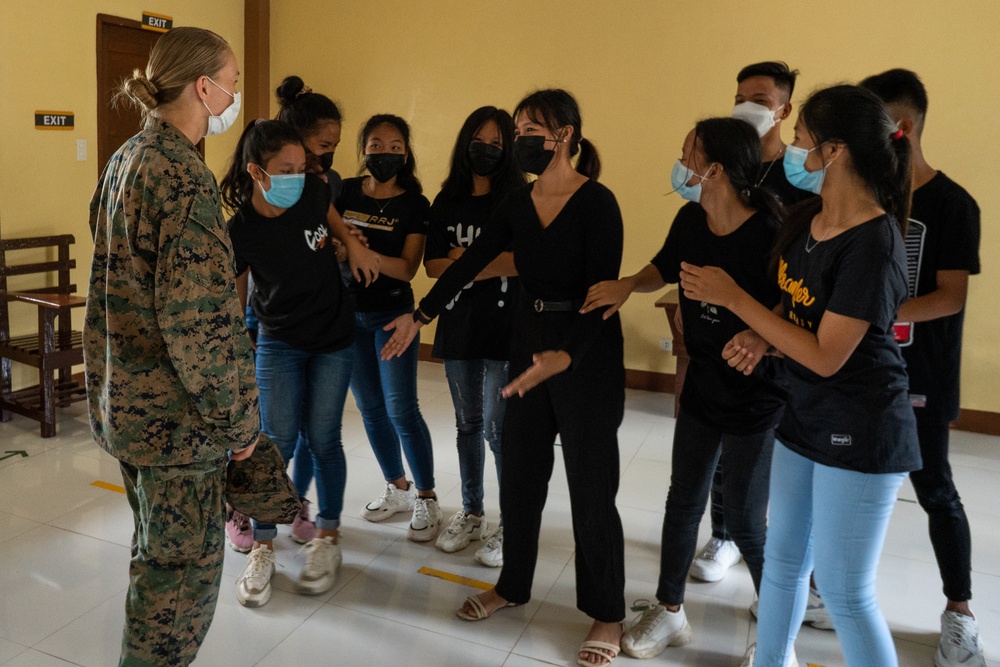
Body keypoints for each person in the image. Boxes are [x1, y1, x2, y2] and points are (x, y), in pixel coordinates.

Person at [382, 88, 627, 667]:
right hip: (527, 347)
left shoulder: (598, 203)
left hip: (584, 355)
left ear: (566, 134)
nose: (521, 141)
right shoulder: (517, 204)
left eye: (531, 129)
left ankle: (608, 614)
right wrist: (421, 314)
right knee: (520, 477)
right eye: (519, 129)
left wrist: (566, 355)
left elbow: (601, 292)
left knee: (593, 490)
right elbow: (467, 265)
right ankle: (513, 585)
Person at [679, 84, 921, 667]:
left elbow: (826, 355)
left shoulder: (875, 241)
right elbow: (801, 309)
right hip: (804, 415)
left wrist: (737, 301)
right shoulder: (811, 218)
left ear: (835, 152)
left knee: (844, 591)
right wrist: (763, 334)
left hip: (861, 429)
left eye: (802, 140)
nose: (792, 151)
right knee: (785, 563)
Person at [85, 26, 259, 666]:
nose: (237, 93)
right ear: (203, 86)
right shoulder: (183, 180)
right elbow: (200, 327)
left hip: (129, 410)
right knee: (178, 590)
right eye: (233, 81)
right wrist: (240, 421)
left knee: (156, 557)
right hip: (177, 426)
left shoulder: (126, 158)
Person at [582, 117, 785, 659]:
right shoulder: (690, 219)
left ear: (714, 168)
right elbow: (663, 267)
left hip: (757, 393)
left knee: (744, 517)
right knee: (683, 500)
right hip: (703, 384)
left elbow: (797, 304)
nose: (680, 161)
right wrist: (629, 284)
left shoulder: (771, 230)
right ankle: (669, 611)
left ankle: (779, 638)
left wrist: (761, 336)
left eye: (688, 152)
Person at [220, 118, 374, 606]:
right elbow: (233, 287)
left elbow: (328, 213)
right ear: (256, 172)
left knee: (324, 437)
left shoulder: (312, 191)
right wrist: (237, 340)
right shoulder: (240, 229)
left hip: (333, 336)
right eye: (284, 169)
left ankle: (328, 540)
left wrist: (349, 242)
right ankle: (263, 546)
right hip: (279, 341)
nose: (298, 176)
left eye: (301, 166)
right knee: (273, 443)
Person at [861, 68, 984, 667]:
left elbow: (951, 295)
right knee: (850, 481)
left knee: (934, 488)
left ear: (899, 128)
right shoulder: (867, 198)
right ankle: (837, 592)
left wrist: (881, 313)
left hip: (923, 379)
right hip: (859, 373)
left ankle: (959, 613)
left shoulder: (954, 205)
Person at [694, 61, 813, 587]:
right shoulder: (725, 165)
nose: (746, 106)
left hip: (781, 341)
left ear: (784, 109)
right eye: (739, 95)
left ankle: (789, 568)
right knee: (721, 451)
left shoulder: (803, 180)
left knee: (775, 463)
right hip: (719, 335)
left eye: (760, 99)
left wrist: (767, 331)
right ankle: (725, 536)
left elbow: (809, 276)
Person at [424, 106, 525, 564]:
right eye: (479, 141)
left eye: (497, 144)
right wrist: (481, 263)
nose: (486, 150)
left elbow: (522, 262)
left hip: (506, 330)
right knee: (467, 425)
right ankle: (472, 511)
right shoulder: (447, 200)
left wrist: (465, 261)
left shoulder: (520, 200)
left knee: (499, 431)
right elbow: (433, 267)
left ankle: (514, 524)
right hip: (460, 326)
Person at [337, 114, 441, 541]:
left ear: (406, 151)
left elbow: (408, 268)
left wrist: (362, 254)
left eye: (394, 145)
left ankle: (427, 496)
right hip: (347, 316)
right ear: (363, 150)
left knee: (401, 408)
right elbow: (331, 247)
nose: (384, 153)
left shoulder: (415, 204)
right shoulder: (343, 191)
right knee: (370, 408)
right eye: (375, 145)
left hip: (392, 316)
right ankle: (397, 487)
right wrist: (343, 251)